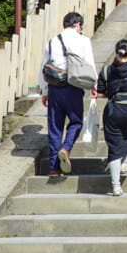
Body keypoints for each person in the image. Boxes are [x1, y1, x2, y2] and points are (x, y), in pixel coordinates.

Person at [39, 11, 96, 177]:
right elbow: (89, 64)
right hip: (74, 87)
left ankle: (55, 168)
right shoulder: (84, 41)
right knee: (76, 122)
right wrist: (95, 84)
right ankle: (66, 147)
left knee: (55, 128)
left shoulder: (52, 41)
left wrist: (44, 91)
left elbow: (44, 66)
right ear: (78, 24)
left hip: (55, 88)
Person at [95, 39, 127, 196]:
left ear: (116, 53)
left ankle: (116, 186)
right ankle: (125, 162)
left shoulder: (106, 71)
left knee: (114, 147)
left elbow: (100, 93)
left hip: (114, 111)